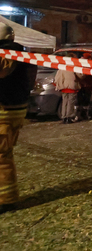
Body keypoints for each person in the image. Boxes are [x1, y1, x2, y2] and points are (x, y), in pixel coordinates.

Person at [0, 23, 37, 214]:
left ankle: (5, 199)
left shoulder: (8, 53)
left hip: (5, 110)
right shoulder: (23, 54)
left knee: (1, 156)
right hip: (12, 108)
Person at [55, 54, 81, 124]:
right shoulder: (74, 66)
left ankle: (64, 117)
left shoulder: (62, 67)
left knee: (65, 102)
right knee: (70, 102)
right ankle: (69, 116)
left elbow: (57, 77)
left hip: (64, 87)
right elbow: (80, 75)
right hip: (72, 87)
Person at [76, 53, 92, 121]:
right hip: (87, 85)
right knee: (85, 101)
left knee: (80, 101)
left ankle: (79, 115)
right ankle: (84, 115)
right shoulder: (88, 64)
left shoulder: (78, 63)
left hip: (80, 85)